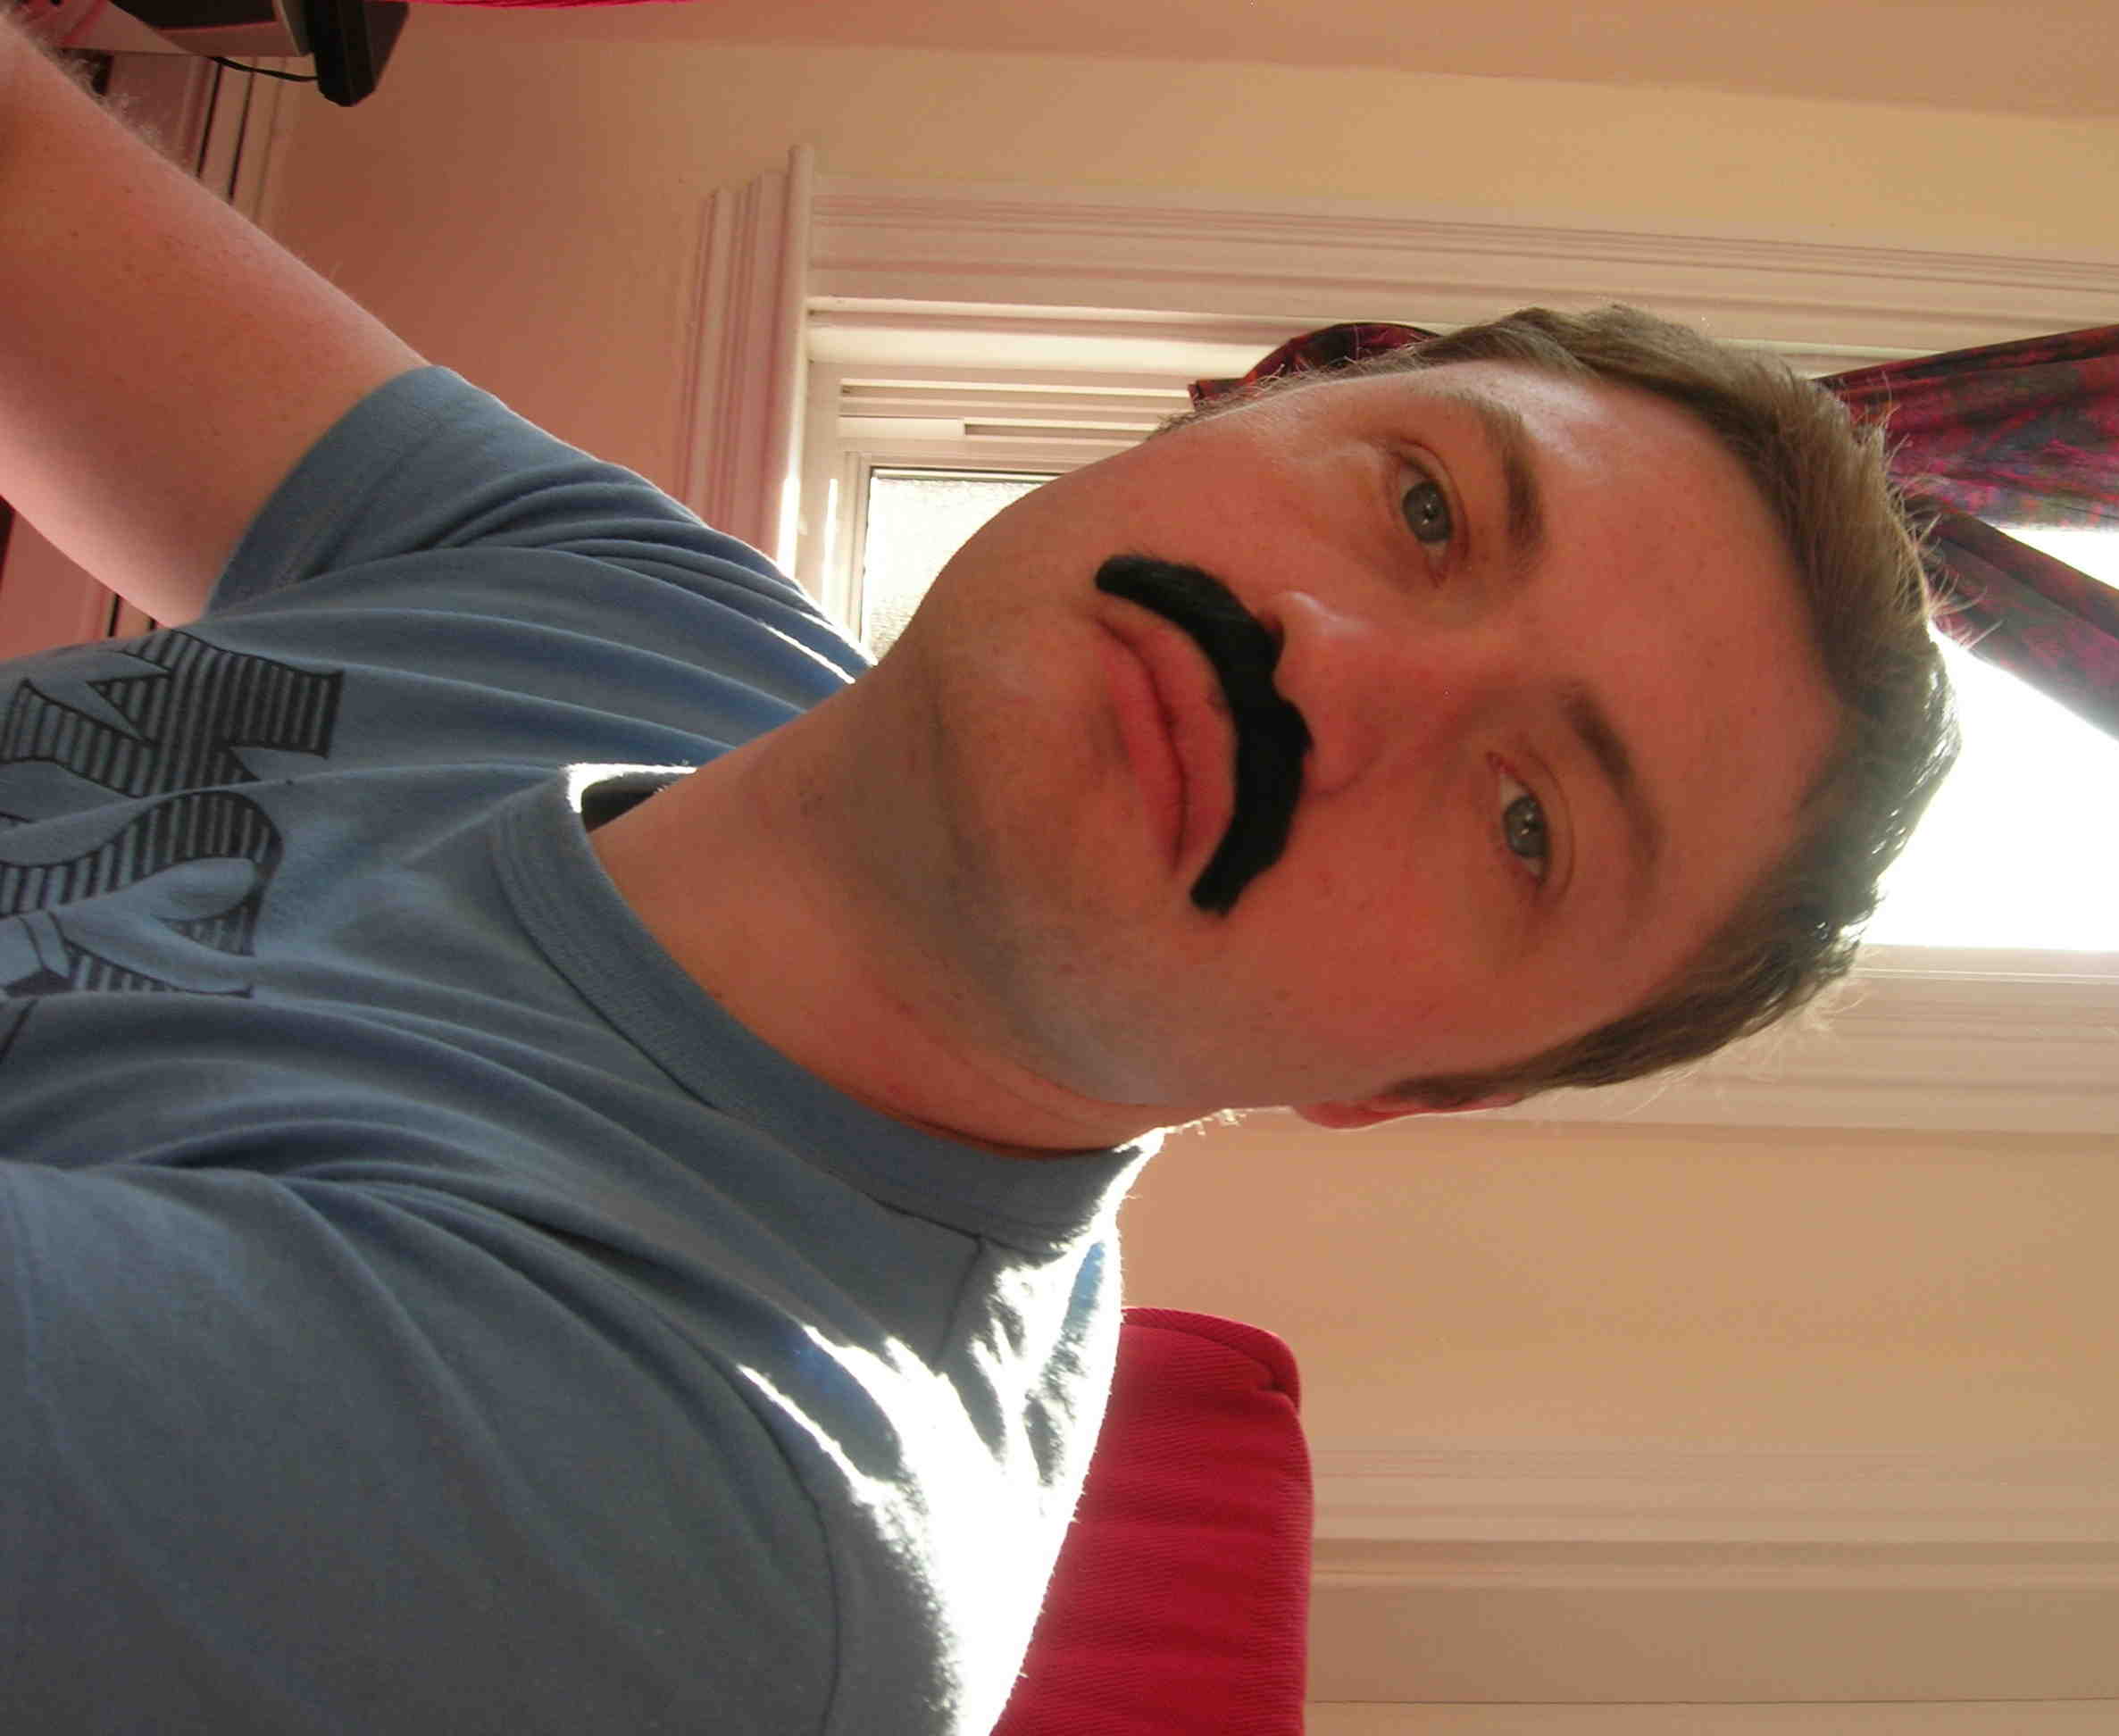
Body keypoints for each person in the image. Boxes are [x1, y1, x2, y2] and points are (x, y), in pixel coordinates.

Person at [0, 20, 1955, 1735]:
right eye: (1426, 504)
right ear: (1240, 409)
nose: (1332, 662)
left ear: (1416, 1087)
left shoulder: (705, 1528)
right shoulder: (666, 627)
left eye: (1528, 821)